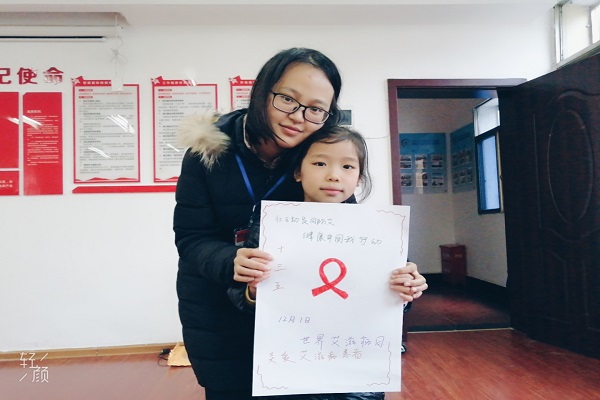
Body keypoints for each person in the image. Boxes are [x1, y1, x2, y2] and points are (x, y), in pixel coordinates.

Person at [173, 47, 427, 400]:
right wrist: (230, 261)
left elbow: (349, 240)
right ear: (262, 92)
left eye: (316, 109)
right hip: (219, 312)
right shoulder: (207, 154)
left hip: (301, 325)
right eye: (288, 100)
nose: (298, 117)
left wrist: (396, 277)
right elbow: (191, 237)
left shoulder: (321, 154)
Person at [228, 126, 417, 400]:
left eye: (348, 166)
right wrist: (253, 292)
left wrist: (407, 289)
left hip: (356, 374)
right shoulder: (271, 228)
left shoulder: (379, 233)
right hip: (288, 368)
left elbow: (397, 304)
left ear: (359, 178)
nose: (333, 175)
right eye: (319, 163)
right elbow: (238, 296)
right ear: (298, 171)